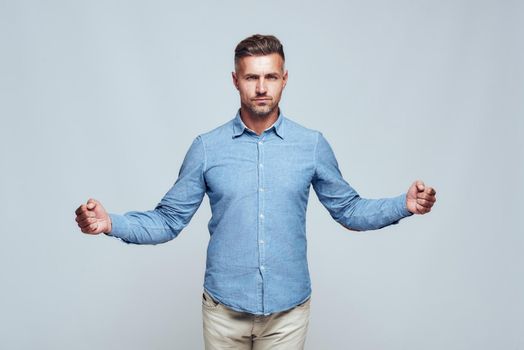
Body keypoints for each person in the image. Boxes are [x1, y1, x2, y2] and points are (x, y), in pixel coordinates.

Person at [74, 34, 436, 350]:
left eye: (270, 77)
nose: (261, 87)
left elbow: (349, 211)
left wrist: (402, 205)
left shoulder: (311, 146)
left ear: (284, 79)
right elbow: (168, 220)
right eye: (252, 77)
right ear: (236, 80)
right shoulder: (207, 148)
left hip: (288, 314)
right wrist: (111, 223)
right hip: (223, 313)